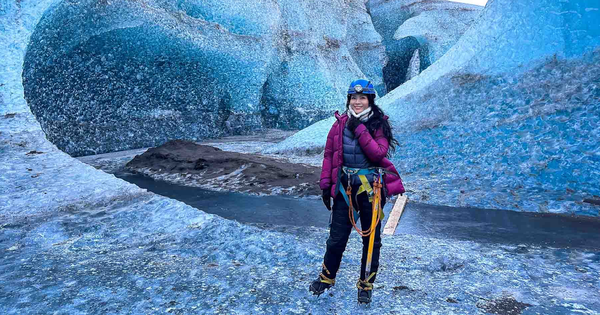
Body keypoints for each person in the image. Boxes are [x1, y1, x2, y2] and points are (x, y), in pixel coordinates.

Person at [309, 79, 405, 304]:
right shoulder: (339, 125)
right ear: (349, 99)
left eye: (362, 97)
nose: (358, 101)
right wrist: (326, 186)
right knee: (336, 238)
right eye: (354, 97)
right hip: (346, 188)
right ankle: (326, 278)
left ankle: (365, 285)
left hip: (372, 189)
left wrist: (359, 128)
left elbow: (378, 154)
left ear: (370, 99)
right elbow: (329, 156)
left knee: (371, 240)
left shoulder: (378, 124)